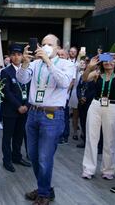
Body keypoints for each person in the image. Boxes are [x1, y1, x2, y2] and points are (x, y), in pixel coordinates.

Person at [16, 34, 74, 205]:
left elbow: (64, 82)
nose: (46, 47)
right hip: (33, 113)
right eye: (43, 44)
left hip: (52, 115)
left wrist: (49, 63)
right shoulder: (34, 63)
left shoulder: (66, 64)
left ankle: (44, 194)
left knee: (44, 157)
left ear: (57, 48)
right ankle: (45, 188)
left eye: (50, 44)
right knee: (33, 155)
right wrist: (25, 63)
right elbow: (21, 79)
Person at [81, 54, 115, 180]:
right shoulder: (96, 74)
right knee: (91, 137)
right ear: (102, 63)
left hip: (112, 106)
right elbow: (84, 79)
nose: (108, 63)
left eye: (112, 61)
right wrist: (89, 68)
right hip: (96, 105)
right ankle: (88, 169)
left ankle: (108, 170)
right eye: (105, 60)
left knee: (110, 140)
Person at [1, 44, 31, 172]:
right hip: (10, 110)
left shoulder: (28, 70)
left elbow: (31, 90)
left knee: (19, 136)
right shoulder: (5, 72)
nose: (16, 57)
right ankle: (7, 160)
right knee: (8, 137)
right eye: (13, 54)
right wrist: (18, 106)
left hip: (24, 109)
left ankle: (17, 157)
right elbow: (6, 92)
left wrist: (27, 106)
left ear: (22, 56)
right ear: (10, 56)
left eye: (19, 54)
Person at [76, 58, 96, 148]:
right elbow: (78, 87)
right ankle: (85, 141)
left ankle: (94, 143)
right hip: (81, 102)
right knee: (83, 122)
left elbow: (95, 90)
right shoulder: (83, 75)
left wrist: (86, 98)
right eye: (87, 62)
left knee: (91, 124)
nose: (88, 64)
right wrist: (80, 97)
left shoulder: (96, 75)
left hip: (90, 103)